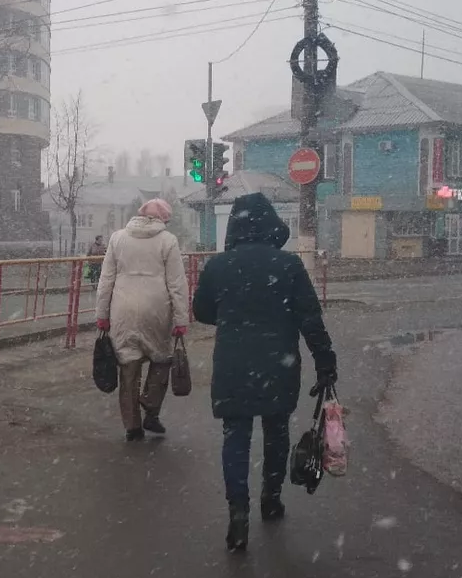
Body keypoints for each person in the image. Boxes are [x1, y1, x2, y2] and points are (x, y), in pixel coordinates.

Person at [192, 193, 337, 552]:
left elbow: (202, 312)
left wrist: (233, 314)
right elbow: (310, 319)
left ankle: (238, 512)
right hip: (278, 363)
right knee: (276, 433)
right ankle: (271, 499)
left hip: (232, 364)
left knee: (235, 437)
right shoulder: (288, 265)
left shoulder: (218, 266)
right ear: (272, 224)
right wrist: (325, 362)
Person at [94, 199, 189, 442]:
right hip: (156, 309)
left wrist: (102, 315)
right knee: (162, 359)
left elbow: (106, 280)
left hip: (122, 309)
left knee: (128, 367)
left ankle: (132, 426)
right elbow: (177, 284)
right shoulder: (168, 241)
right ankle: (150, 404)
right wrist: (181, 319)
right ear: (163, 218)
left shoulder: (117, 238)